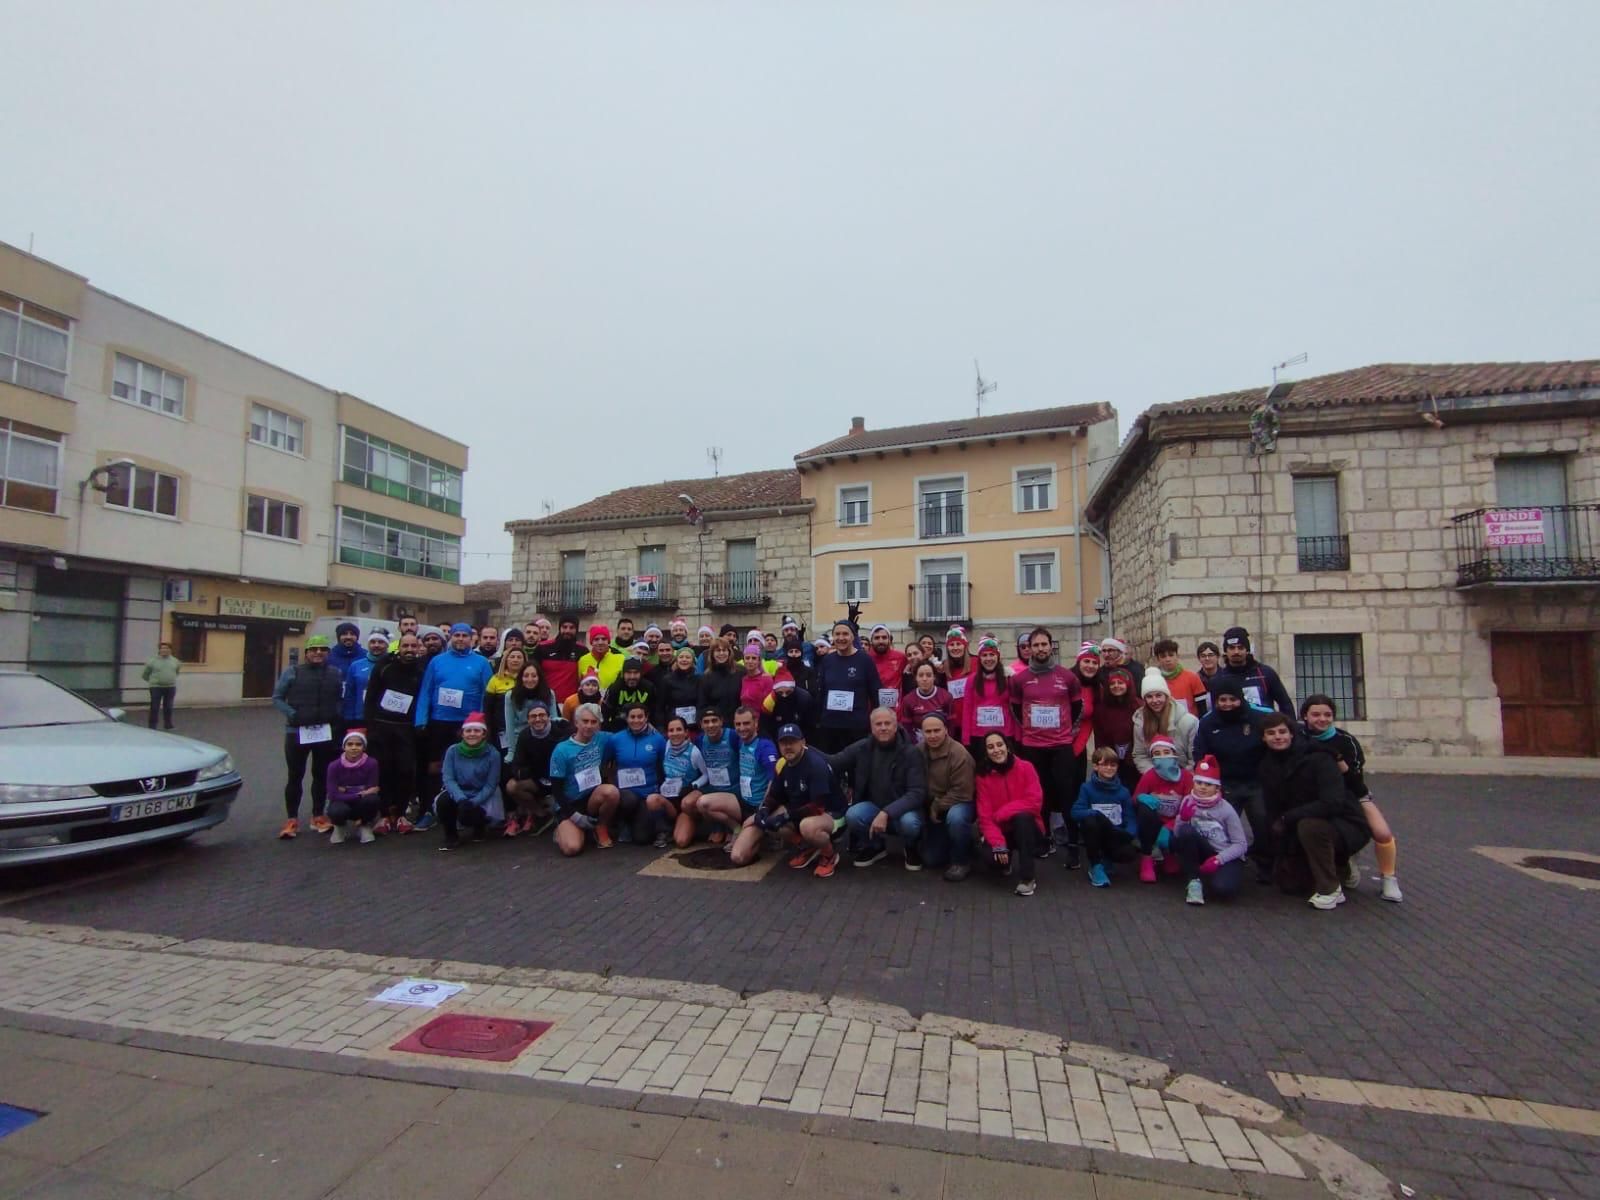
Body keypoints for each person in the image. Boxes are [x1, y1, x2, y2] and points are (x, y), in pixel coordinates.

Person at [1257, 712, 1370, 909]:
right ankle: (1339, 868)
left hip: (1343, 822)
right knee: (1290, 884)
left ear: (1292, 734)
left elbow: (1332, 802)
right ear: (1263, 738)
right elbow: (1273, 807)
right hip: (1297, 823)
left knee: (1310, 826)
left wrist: (1287, 818)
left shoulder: (1319, 759)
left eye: (1283, 732)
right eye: (1271, 733)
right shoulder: (1267, 765)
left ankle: (1330, 889)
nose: (1278, 737)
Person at [1301, 695, 1401, 902]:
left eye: (1327, 715)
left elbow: (1356, 781)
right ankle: (1339, 863)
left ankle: (1389, 878)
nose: (1322, 719)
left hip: (1352, 793)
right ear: (1305, 716)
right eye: (1316, 714)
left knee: (1382, 832)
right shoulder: (1298, 737)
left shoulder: (1346, 741)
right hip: (1315, 795)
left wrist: (1338, 761)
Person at [1011, 626, 1086, 867]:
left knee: (1067, 795)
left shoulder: (1067, 677)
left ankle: (1073, 844)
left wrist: (1065, 731)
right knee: (1038, 795)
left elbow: (1077, 709)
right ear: (1029, 649)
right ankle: (1042, 839)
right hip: (1033, 745)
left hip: (1061, 745)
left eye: (1044, 644)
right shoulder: (1020, 680)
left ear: (1051, 646)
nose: (1040, 649)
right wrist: (1032, 729)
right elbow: (1015, 710)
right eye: (1036, 645)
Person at [412, 623, 494, 832]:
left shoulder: (482, 662)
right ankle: (430, 809)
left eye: (464, 636)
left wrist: (483, 721)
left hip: (469, 724)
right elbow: (426, 690)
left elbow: (488, 694)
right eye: (456, 635)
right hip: (440, 721)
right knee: (434, 767)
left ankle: (467, 809)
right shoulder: (437, 661)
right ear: (450, 638)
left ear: (471, 639)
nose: (460, 639)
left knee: (467, 767)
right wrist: (421, 719)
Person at [739, 723, 844, 879]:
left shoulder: (815, 765)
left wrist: (786, 817)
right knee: (769, 820)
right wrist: (764, 810)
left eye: (792, 742)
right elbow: (775, 795)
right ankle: (807, 847)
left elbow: (817, 806)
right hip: (802, 811)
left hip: (832, 814)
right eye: (783, 743)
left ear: (803, 742)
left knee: (807, 827)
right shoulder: (783, 764)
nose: (788, 747)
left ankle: (829, 855)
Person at [832, 707, 928, 870]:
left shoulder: (911, 752)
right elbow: (835, 761)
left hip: (904, 811)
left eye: (887, 723)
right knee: (853, 815)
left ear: (895, 725)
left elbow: (917, 793)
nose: (883, 727)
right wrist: (804, 750)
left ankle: (910, 846)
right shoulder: (863, 747)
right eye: (878, 724)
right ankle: (876, 846)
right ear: (871, 727)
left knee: (910, 823)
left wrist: (887, 813)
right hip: (874, 806)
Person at [1193, 677, 1268, 878]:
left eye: (1232, 699)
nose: (1227, 704)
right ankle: (1224, 860)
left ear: (1240, 699)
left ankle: (1265, 863)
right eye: (1222, 700)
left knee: (1262, 821)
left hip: (1255, 781)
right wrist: (1208, 782)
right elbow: (1200, 753)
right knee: (1220, 827)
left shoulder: (1258, 719)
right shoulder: (1208, 723)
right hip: (1225, 784)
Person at [272, 635, 345, 838]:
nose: (318, 652)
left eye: (323, 649)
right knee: (295, 776)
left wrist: (335, 715)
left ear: (328, 653)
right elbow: (277, 698)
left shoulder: (335, 673)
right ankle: (292, 819)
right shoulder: (292, 672)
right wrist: (293, 714)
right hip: (297, 732)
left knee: (321, 775)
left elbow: (340, 698)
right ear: (306, 653)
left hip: (323, 731)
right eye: (314, 649)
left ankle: (318, 816)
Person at [362, 630, 426, 834]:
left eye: (413, 646)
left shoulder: (422, 669)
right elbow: (370, 697)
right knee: (383, 770)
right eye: (405, 646)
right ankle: (383, 815)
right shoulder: (384, 666)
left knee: (406, 771)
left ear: (418, 648)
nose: (409, 650)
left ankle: (400, 814)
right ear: (399, 648)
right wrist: (369, 726)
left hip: (406, 729)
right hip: (381, 726)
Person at [1171, 755, 1249, 905]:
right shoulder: (1188, 801)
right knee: (1186, 832)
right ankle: (1194, 880)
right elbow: (1177, 835)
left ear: (1217, 787)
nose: (1203, 787)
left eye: (1208, 784)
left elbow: (1241, 845)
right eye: (1199, 782)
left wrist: (1219, 860)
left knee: (1223, 889)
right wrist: (1182, 819)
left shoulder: (1226, 809)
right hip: (1202, 848)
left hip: (1223, 854)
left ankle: (1225, 875)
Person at [973, 732, 1044, 897]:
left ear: (1007, 746)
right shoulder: (983, 776)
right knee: (991, 860)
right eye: (990, 747)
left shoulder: (1026, 767)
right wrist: (998, 844)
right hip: (1001, 831)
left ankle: (1027, 878)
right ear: (985, 752)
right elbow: (985, 817)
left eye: (1000, 744)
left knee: (1023, 818)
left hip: (1028, 828)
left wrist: (1002, 813)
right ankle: (1005, 859)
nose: (996, 750)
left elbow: (1034, 802)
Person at [548, 703, 622, 854]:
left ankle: (601, 826)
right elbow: (556, 789)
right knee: (572, 848)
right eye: (585, 721)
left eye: (593, 722)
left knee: (611, 792)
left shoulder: (602, 739)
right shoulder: (561, 750)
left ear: (599, 724)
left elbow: (627, 734)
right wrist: (573, 816)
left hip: (592, 797)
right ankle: (565, 829)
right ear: (576, 723)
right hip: (569, 803)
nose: (589, 726)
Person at [915, 713, 977, 880]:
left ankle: (961, 861)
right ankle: (959, 841)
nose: (933, 735)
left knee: (956, 818)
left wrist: (937, 806)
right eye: (928, 732)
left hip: (960, 802)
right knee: (931, 860)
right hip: (932, 803)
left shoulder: (959, 754)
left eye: (937, 730)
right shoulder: (918, 751)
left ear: (946, 731)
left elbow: (963, 792)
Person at [811, 619, 882, 753]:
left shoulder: (865, 660)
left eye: (845, 634)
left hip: (856, 727)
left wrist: (877, 721)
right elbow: (820, 692)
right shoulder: (827, 660)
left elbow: (875, 693)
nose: (841, 638)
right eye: (837, 634)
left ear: (853, 636)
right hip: (830, 726)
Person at [435, 713, 502, 849]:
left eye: (477, 730)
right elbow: (448, 778)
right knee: (444, 802)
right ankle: (451, 834)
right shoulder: (452, 751)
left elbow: (491, 784)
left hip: (482, 794)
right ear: (462, 734)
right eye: (468, 731)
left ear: (484, 734)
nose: (472, 734)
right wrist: (461, 799)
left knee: (470, 815)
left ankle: (480, 826)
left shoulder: (493, 754)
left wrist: (473, 802)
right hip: (459, 793)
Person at [1073, 746, 1138, 888]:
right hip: (1095, 832)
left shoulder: (1123, 792)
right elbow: (1076, 812)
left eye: (1113, 765)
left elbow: (1130, 817)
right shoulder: (1087, 788)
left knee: (1129, 853)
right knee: (1090, 822)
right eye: (1105, 764)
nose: (1109, 768)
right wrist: (1095, 814)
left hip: (1115, 833)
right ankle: (1096, 866)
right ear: (1095, 766)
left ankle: (1107, 858)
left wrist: (1129, 833)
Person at [1132, 733, 1193, 882]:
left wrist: (1170, 826)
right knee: (1145, 811)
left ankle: (1169, 853)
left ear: (1174, 754)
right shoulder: (1150, 776)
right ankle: (1147, 858)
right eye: (1157, 754)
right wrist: (1141, 798)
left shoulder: (1186, 777)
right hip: (1154, 822)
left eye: (1166, 753)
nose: (1162, 757)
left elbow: (1189, 807)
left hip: (1175, 823)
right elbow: (1134, 799)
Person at [607, 703, 668, 844]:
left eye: (640, 716)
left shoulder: (658, 740)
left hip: (647, 794)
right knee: (629, 800)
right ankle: (623, 823)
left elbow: (663, 766)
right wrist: (611, 783)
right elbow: (606, 763)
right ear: (626, 719)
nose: (636, 720)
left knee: (642, 839)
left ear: (646, 717)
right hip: (625, 794)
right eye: (632, 717)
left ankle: (642, 824)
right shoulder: (616, 739)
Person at [505, 701, 568, 837]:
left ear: (549, 716)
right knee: (512, 786)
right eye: (533, 716)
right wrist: (524, 772)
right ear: (528, 720)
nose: (538, 719)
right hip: (539, 778)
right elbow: (517, 764)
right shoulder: (524, 735)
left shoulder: (561, 730)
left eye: (541, 715)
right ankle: (541, 815)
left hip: (563, 778)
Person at [680, 708, 741, 846]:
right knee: (687, 803)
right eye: (706, 722)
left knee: (704, 802)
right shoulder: (700, 740)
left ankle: (733, 827)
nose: (710, 725)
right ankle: (716, 827)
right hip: (712, 786)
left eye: (714, 721)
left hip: (734, 788)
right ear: (701, 725)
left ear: (721, 722)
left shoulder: (733, 736)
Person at [1210, 627, 1294, 716]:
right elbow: (1215, 711)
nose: (1236, 652)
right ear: (1225, 651)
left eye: (1240, 647)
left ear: (1247, 650)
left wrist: (1291, 727)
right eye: (1232, 648)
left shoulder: (1265, 673)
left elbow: (1285, 704)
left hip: (1264, 727)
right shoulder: (1218, 679)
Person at [1132, 668, 1200, 772]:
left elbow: (1194, 758)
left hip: (1184, 775)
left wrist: (1182, 777)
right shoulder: (1140, 722)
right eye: (1149, 697)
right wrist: (1154, 775)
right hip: (1155, 776)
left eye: (1159, 695)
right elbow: (1140, 755)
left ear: (1166, 696)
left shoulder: (1189, 722)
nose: (1154, 700)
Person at [656, 715, 709, 848]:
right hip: (668, 798)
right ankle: (666, 829)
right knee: (652, 800)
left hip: (685, 799)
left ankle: (695, 823)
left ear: (686, 732)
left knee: (681, 841)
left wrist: (694, 785)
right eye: (671, 730)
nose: (674, 734)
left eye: (678, 730)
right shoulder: (667, 745)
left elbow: (706, 775)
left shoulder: (694, 752)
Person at [961, 637, 1016, 757]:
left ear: (998, 657)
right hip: (978, 736)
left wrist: (1018, 736)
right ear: (979, 658)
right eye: (984, 655)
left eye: (992, 655)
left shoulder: (1008, 678)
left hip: (1004, 734)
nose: (988, 659)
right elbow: (967, 709)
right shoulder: (972, 680)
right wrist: (966, 739)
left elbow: (1014, 709)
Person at [325, 728, 380, 845]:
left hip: (360, 802)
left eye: (358, 744)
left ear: (364, 747)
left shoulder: (372, 763)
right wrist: (360, 793)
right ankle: (339, 827)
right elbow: (333, 795)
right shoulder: (334, 766)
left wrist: (345, 789)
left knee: (372, 800)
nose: (354, 747)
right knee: (337, 810)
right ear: (344, 747)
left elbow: (372, 789)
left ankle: (364, 824)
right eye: (350, 744)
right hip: (342, 802)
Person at [1090, 666, 1141, 790]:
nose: (1116, 686)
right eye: (1112, 683)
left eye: (1120, 682)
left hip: (1134, 759)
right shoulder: (1101, 709)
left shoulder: (1139, 706)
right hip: (1110, 761)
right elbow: (1100, 737)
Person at [341, 630, 390, 740]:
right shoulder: (356, 665)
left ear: (386, 644)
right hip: (360, 717)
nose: (376, 645)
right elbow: (350, 694)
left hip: (385, 718)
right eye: (373, 642)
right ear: (368, 644)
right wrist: (349, 718)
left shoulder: (392, 665)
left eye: (380, 642)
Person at [532, 615, 584, 707]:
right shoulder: (542, 648)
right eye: (564, 627)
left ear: (576, 630)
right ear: (559, 628)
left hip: (572, 705)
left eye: (571, 628)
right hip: (546, 703)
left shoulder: (582, 651)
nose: (567, 630)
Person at [1150, 638, 1209, 717]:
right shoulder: (1154, 681)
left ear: (1177, 656)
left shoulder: (1192, 677)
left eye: (1171, 655)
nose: (1168, 659)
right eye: (1163, 656)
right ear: (1158, 659)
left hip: (1191, 726)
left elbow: (1203, 709)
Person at [485, 645, 525, 750]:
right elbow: (488, 708)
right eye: (512, 657)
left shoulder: (529, 679)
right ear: (505, 659)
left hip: (525, 729)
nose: (515, 660)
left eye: (519, 657)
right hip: (502, 730)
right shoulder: (495, 680)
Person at [898, 662, 952, 739]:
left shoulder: (946, 696)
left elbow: (951, 725)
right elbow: (907, 728)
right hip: (918, 741)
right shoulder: (908, 700)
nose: (924, 679)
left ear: (934, 677)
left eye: (929, 675)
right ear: (915, 678)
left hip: (942, 739)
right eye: (920, 675)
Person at [697, 639, 743, 725]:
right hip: (717, 727)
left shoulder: (741, 672)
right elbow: (702, 705)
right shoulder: (706, 677)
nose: (721, 653)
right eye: (718, 651)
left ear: (729, 652)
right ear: (712, 654)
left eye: (724, 650)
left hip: (740, 725)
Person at [656, 647, 703, 731]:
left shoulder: (699, 679)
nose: (684, 660)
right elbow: (660, 706)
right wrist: (661, 727)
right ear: (676, 660)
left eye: (688, 657)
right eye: (681, 657)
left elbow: (701, 704)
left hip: (694, 727)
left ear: (693, 661)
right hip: (674, 726)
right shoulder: (667, 680)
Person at [602, 658, 655, 733]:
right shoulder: (614, 688)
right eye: (628, 673)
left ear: (641, 673)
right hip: (619, 728)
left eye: (636, 673)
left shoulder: (649, 688)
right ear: (623, 673)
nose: (632, 677)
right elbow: (605, 712)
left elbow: (655, 712)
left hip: (643, 727)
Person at [141, 641, 181, 730]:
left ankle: (168, 724)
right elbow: (145, 675)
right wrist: (153, 682)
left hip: (170, 687)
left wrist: (169, 679)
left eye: (167, 648)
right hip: (156, 688)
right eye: (162, 648)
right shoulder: (153, 661)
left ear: (170, 650)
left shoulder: (175, 661)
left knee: (168, 707)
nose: (164, 650)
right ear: (159, 650)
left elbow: (176, 672)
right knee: (155, 707)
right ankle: (152, 726)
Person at [867, 625, 908, 709]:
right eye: (877, 638)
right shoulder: (865, 658)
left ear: (890, 640)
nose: (881, 641)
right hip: (871, 709)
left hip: (894, 710)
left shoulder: (901, 657)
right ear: (871, 641)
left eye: (884, 637)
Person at [578, 624, 626, 691]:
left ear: (608, 641)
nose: (600, 642)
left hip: (612, 700)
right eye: (596, 639)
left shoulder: (620, 658)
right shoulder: (583, 660)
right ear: (591, 642)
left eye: (603, 639)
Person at [767, 669, 812, 738]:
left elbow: (808, 725)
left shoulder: (804, 699)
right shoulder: (770, 700)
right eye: (780, 693)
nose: (784, 695)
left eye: (788, 692)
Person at [739, 642, 776, 718]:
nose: (750, 661)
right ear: (743, 660)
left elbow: (769, 706)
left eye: (754, 658)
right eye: (747, 658)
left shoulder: (767, 679)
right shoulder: (742, 679)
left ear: (759, 661)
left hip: (762, 721)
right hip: (745, 721)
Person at [328, 622, 365, 686]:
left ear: (357, 637)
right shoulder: (329, 656)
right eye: (344, 634)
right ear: (339, 637)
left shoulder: (365, 656)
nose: (349, 637)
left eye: (352, 634)